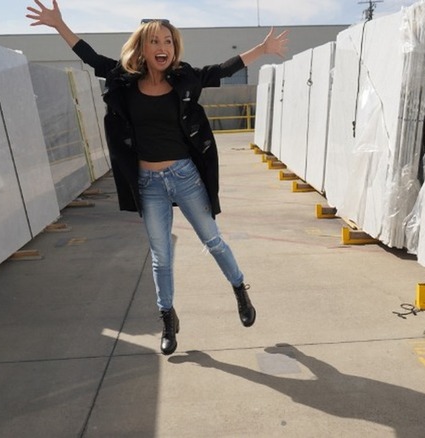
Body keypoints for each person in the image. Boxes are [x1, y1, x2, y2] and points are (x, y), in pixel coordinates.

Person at [26, 0, 289, 356]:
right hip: (148, 183)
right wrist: (60, 25)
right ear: (143, 48)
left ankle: (240, 289)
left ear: (173, 47)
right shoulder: (124, 80)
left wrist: (263, 48)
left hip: (185, 176)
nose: (162, 47)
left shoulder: (185, 79)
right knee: (161, 257)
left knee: (213, 240)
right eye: (154, 41)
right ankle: (168, 318)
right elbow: (91, 58)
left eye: (167, 41)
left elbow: (223, 69)